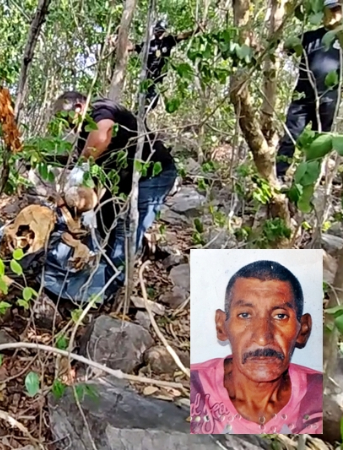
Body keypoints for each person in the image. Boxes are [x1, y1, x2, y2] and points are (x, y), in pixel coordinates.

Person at [51, 91, 177, 281]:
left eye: (67, 119)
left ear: (78, 107)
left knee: (127, 227)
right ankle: (105, 265)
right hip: (123, 180)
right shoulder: (84, 137)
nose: (68, 126)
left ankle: (114, 281)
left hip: (154, 174)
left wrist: (82, 166)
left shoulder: (101, 109)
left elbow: (102, 136)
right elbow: (92, 170)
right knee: (105, 218)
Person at [190, 260, 323, 434]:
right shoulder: (194, 386)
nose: (262, 338)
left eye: (280, 316)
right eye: (245, 315)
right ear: (221, 326)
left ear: (303, 329)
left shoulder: (321, 396)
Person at [276, 0, 342, 181]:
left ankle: (310, 180)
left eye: (338, 10)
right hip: (302, 98)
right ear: (323, 13)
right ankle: (278, 175)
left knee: (320, 143)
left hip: (328, 100)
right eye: (331, 10)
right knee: (290, 137)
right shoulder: (309, 37)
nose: (335, 14)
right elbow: (282, 50)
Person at [130, 19, 201, 112]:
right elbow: (134, 47)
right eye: (157, 31)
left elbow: (182, 36)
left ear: (164, 32)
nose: (158, 33)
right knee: (142, 100)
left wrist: (196, 30)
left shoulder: (168, 41)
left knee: (152, 101)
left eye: (161, 31)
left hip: (158, 77)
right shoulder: (148, 44)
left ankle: (142, 114)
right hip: (147, 78)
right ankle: (138, 114)